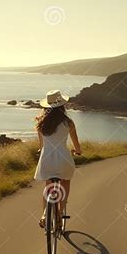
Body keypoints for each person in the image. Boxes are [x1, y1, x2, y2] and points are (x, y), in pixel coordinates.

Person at [34, 89, 81, 228]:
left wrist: (41, 149)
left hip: (47, 160)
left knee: (49, 187)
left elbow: (41, 145)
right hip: (64, 160)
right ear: (62, 106)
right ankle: (60, 213)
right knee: (65, 181)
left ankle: (44, 215)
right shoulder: (68, 123)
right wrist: (77, 151)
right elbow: (76, 144)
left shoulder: (40, 123)